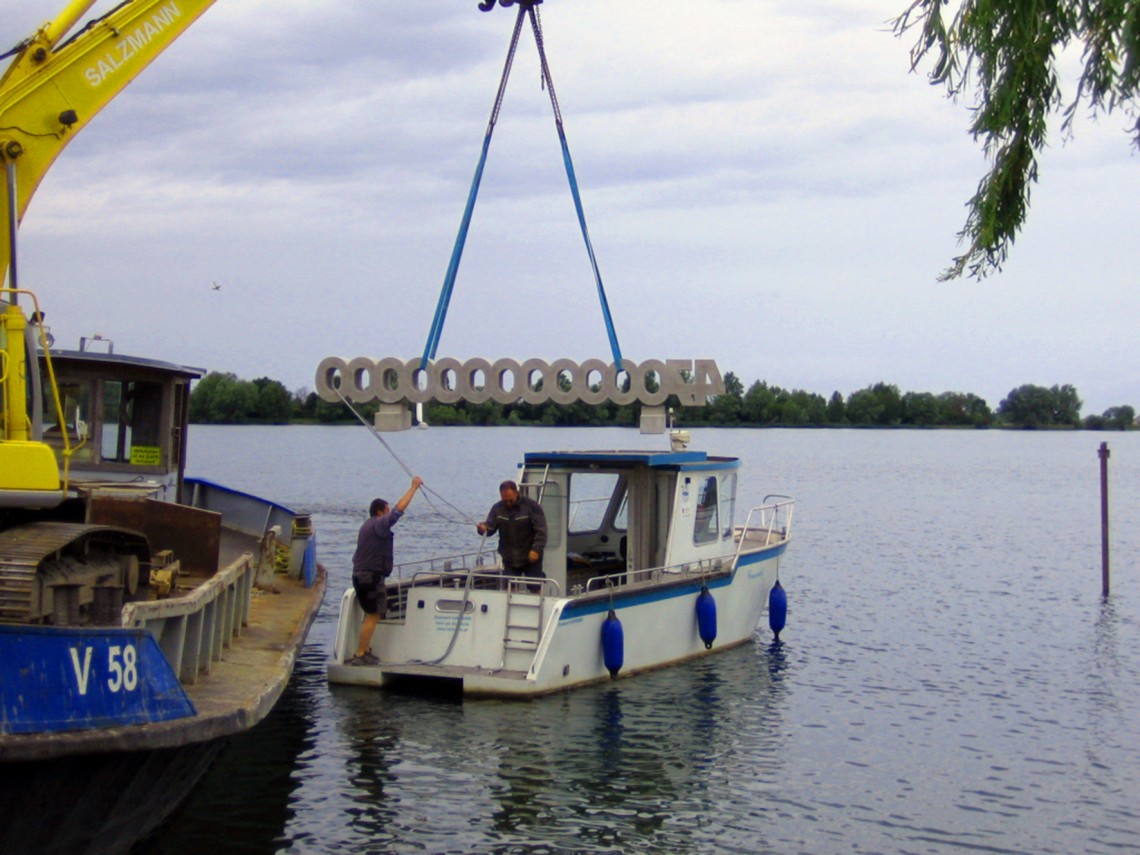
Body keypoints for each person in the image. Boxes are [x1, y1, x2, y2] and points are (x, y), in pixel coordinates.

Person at [348, 475, 423, 665]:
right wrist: (413, 488)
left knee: (371, 613)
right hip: (370, 576)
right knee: (374, 614)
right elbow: (398, 511)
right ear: (380, 512)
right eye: (386, 510)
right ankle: (360, 654)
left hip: (361, 574)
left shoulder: (367, 525)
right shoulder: (379, 524)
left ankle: (366, 649)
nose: (389, 513)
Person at [476, 480, 548, 588]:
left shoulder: (532, 506)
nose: (508, 503)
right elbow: (490, 528)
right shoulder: (497, 509)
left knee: (535, 587)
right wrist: (483, 529)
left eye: (510, 500)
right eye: (505, 501)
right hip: (509, 557)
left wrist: (536, 549)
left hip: (530, 556)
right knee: (510, 588)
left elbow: (541, 531)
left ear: (516, 493)